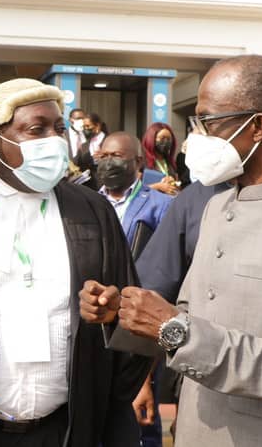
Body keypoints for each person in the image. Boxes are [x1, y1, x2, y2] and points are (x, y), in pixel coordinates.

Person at [81, 55, 262, 446]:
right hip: (195, 430)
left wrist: (176, 330)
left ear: (258, 127)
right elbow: (188, 318)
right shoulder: (216, 206)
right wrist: (125, 314)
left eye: (208, 122)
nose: (195, 137)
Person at [0, 78, 151, 447]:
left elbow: (130, 312)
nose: (54, 140)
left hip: (66, 430)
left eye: (58, 128)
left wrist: (111, 312)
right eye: (36, 130)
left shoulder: (91, 210)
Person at [96, 131, 172, 447]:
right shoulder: (88, 201)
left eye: (116, 156)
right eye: (103, 156)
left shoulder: (162, 206)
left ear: (138, 162)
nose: (108, 162)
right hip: (95, 319)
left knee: (140, 417)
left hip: (139, 321)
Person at [142, 122, 180, 196]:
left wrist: (175, 184)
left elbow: (177, 186)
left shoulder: (170, 162)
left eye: (169, 139)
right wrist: (158, 186)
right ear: (152, 139)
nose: (166, 142)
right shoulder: (142, 161)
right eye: (162, 138)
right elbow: (134, 189)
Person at [73, 112, 107, 190]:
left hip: (105, 185)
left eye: (88, 126)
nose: (86, 129)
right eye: (84, 127)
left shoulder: (109, 141)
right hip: (88, 187)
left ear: (97, 126)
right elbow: (77, 163)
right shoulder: (84, 145)